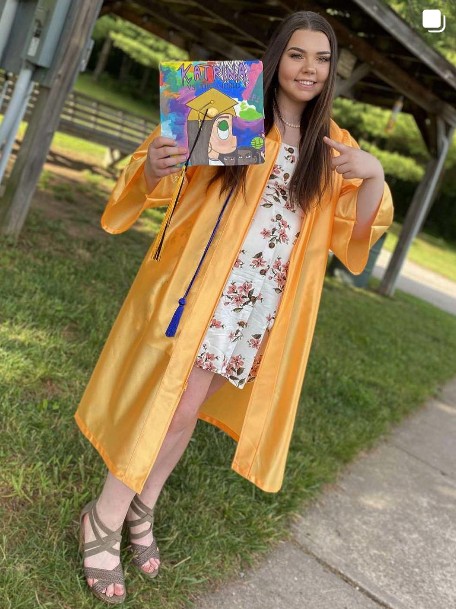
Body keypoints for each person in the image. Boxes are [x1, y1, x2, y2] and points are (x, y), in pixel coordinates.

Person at [76, 10, 393, 604]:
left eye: (322, 59)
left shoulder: (334, 145)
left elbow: (357, 229)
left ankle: (143, 504)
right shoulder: (234, 108)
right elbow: (165, 174)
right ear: (277, 58)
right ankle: (106, 515)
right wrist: (156, 166)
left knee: (188, 408)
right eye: (297, 54)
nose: (309, 68)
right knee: (175, 405)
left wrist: (374, 174)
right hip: (205, 289)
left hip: (259, 303)